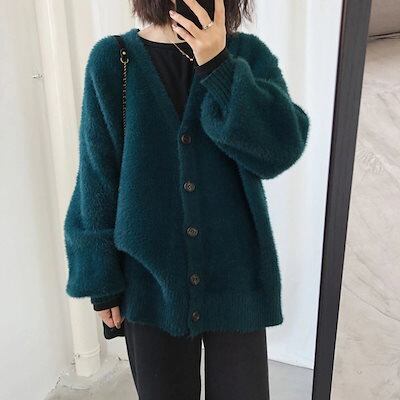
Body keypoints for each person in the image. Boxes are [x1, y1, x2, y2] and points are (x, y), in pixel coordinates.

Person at [63, 0, 310, 398]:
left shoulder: (245, 55)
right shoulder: (114, 61)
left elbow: (280, 149)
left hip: (236, 279)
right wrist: (102, 281)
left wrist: (219, 68)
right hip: (149, 283)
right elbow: (97, 178)